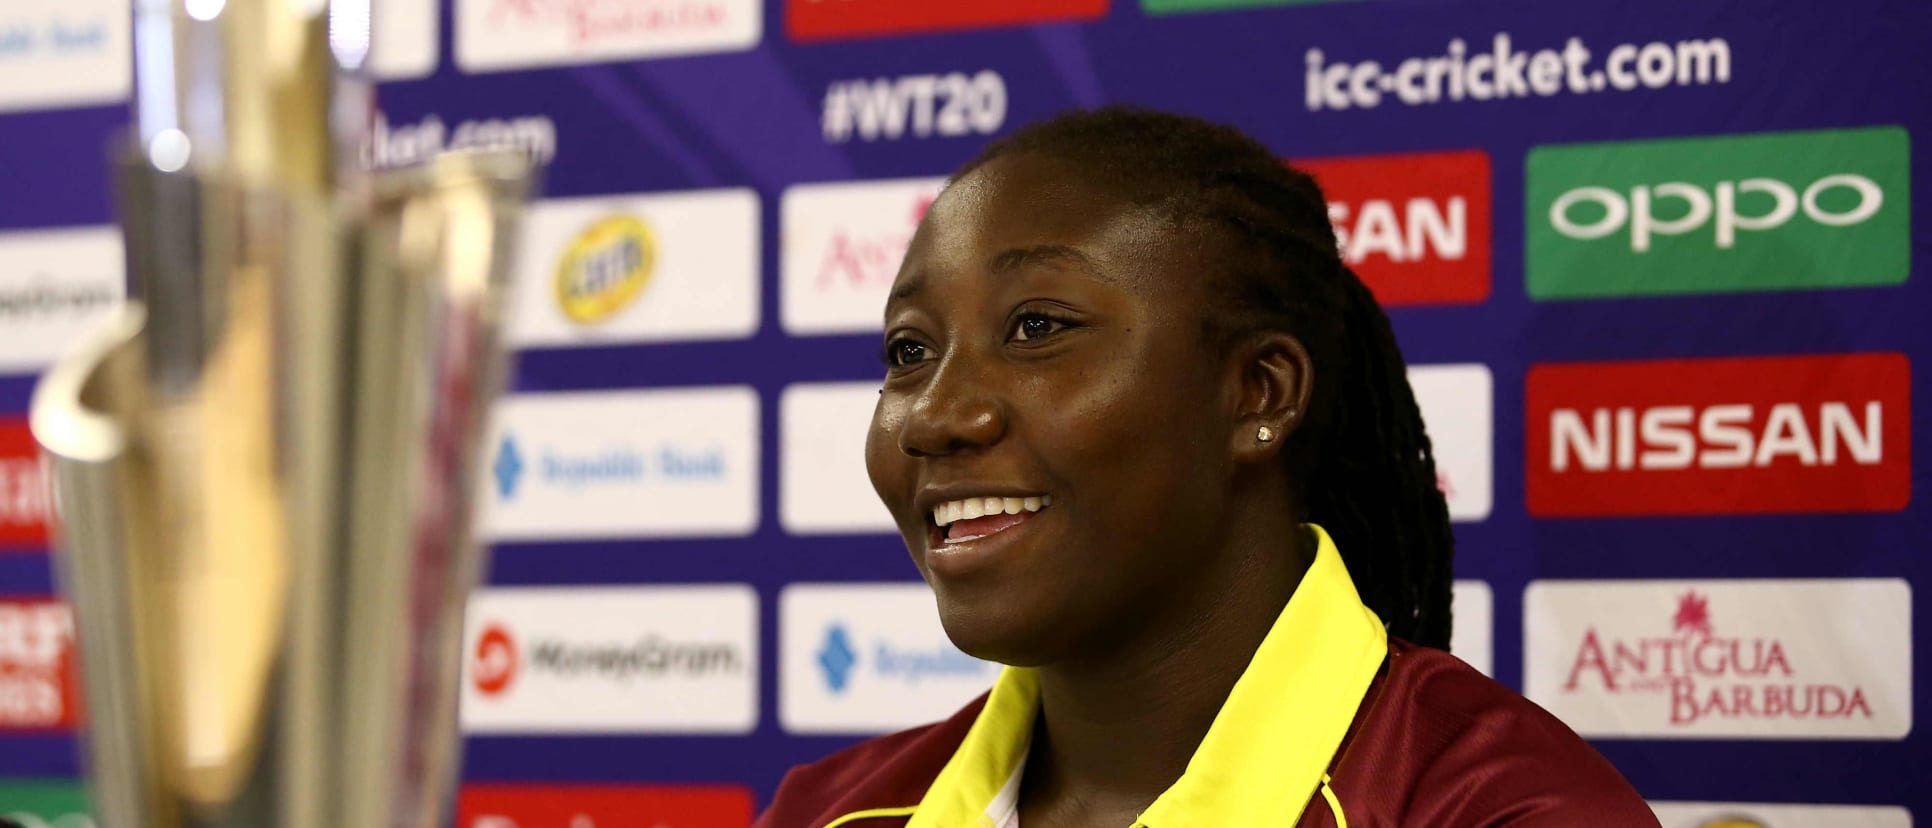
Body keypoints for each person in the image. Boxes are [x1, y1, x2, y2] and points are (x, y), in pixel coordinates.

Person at [757, 108, 1657, 827]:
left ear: (1259, 393)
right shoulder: (829, 811)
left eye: (1037, 327)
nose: (937, 417)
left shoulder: (1500, 811)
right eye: (909, 349)